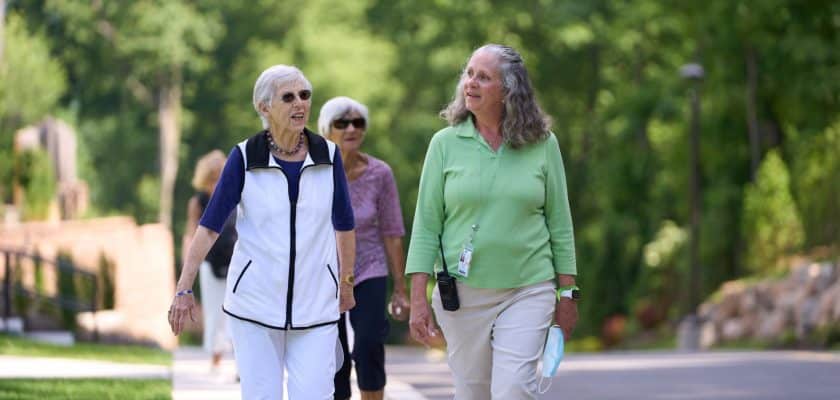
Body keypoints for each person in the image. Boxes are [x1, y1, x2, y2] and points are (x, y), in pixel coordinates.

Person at [169, 64, 357, 400]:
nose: (300, 103)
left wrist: (345, 282)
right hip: (254, 307)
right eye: (288, 97)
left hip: (316, 305)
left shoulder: (328, 155)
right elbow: (209, 227)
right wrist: (184, 287)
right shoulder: (244, 157)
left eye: (305, 95)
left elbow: (344, 224)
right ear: (264, 107)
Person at [405, 44, 579, 399]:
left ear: (509, 90)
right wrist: (417, 297)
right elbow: (426, 225)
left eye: (483, 77)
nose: (471, 83)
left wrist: (567, 292)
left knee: (513, 388)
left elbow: (560, 223)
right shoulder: (445, 144)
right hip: (463, 297)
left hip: (528, 287)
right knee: (473, 392)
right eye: (469, 74)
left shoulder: (543, 144)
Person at [318, 97, 409, 400]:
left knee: (368, 343)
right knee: (334, 351)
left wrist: (400, 288)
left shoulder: (380, 173)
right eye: (342, 123)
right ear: (327, 129)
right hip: (326, 271)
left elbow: (393, 232)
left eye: (358, 122)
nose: (351, 129)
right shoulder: (316, 172)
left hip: (370, 267)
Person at [182, 149, 235, 371]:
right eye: (212, 179)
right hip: (208, 262)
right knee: (215, 310)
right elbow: (191, 233)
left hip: (235, 260)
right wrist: (187, 270)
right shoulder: (198, 201)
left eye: (219, 178)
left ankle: (237, 358)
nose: (216, 183)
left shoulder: (234, 197)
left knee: (236, 310)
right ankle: (215, 355)